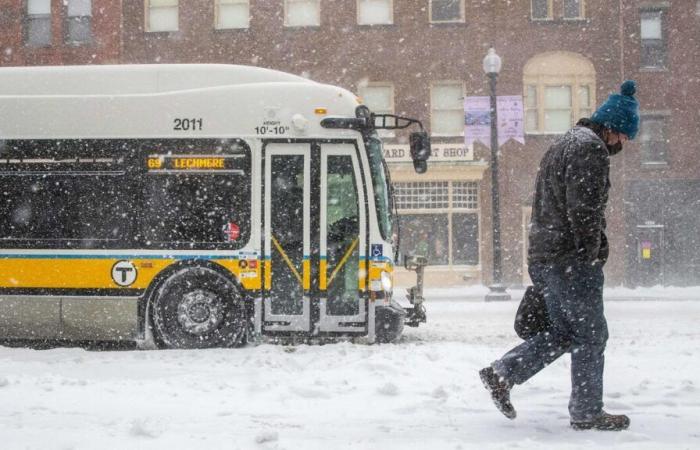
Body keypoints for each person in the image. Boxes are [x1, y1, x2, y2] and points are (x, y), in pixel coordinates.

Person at [479, 81, 640, 431]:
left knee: (568, 332)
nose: (624, 143)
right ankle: (586, 411)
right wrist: (592, 251)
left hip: (545, 255)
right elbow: (584, 209)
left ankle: (503, 373)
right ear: (612, 128)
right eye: (625, 135)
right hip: (570, 261)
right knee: (592, 335)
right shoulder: (590, 149)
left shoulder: (564, 143)